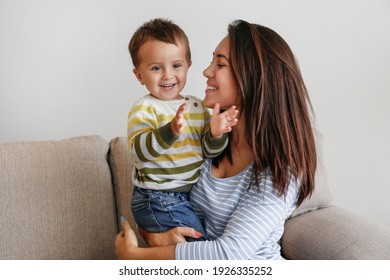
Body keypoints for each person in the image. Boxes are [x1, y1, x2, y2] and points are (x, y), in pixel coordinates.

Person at [116, 19, 317, 259]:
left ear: (250, 77)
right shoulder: (207, 140)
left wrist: (132, 255)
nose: (205, 71)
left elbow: (228, 254)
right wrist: (152, 234)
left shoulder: (281, 169)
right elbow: (162, 205)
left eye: (219, 64)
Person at [127, 18, 239, 241]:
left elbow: (208, 151)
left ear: (188, 65)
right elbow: (139, 153)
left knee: (200, 244)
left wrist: (216, 134)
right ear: (139, 75)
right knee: (197, 245)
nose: (168, 75)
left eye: (176, 66)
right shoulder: (145, 108)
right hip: (157, 197)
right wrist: (169, 132)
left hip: (186, 197)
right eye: (156, 68)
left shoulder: (197, 107)